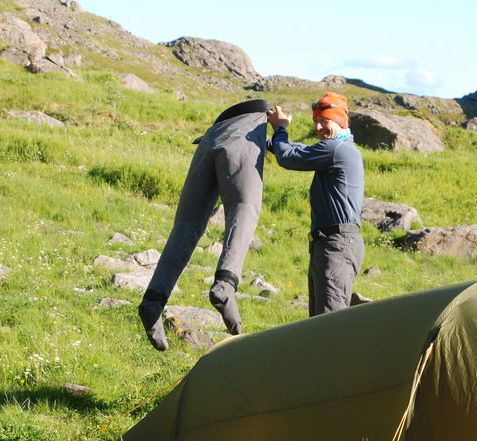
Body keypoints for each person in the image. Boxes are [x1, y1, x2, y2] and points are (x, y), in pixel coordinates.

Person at [138, 99, 269, 351]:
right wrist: (280, 127)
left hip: (210, 137)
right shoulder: (261, 117)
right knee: (245, 205)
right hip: (246, 127)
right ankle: (225, 284)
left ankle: (153, 299)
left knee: (187, 224)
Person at [266, 92, 364, 316]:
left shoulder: (336, 149)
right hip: (330, 243)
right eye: (316, 122)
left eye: (324, 121)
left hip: (337, 245)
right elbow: (297, 149)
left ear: (340, 120)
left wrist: (280, 128)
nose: (318, 127)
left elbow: (288, 157)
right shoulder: (339, 148)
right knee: (320, 319)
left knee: (329, 323)